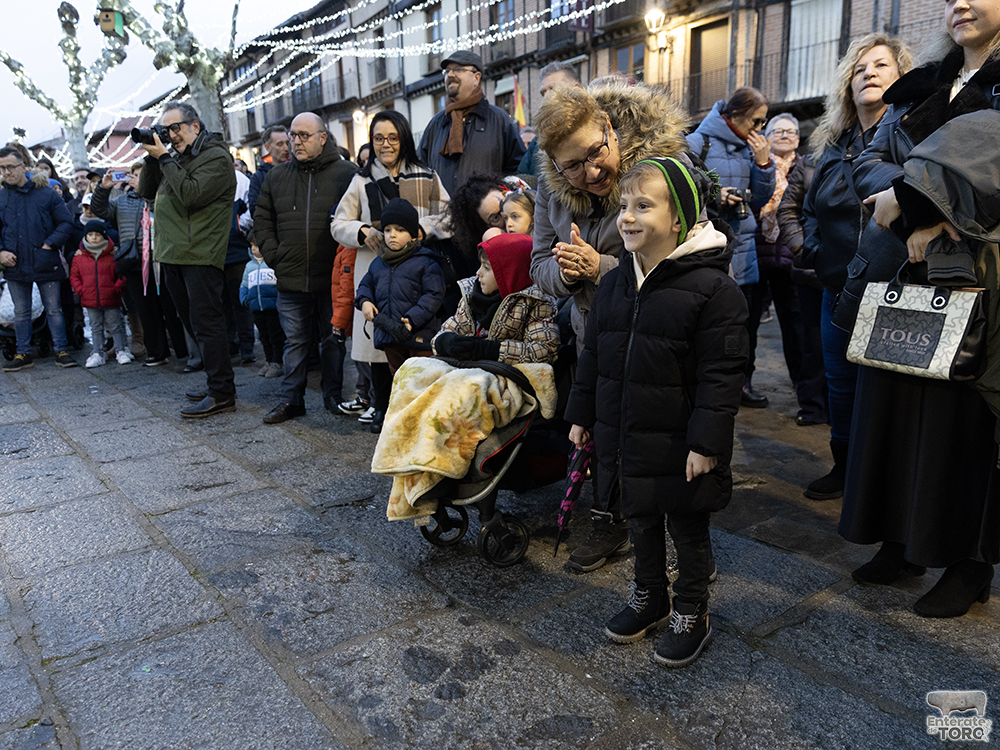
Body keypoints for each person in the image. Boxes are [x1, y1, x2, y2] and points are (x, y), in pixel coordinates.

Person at [841, 1, 1000, 619]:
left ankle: (967, 562)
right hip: (904, 273)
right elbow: (871, 156)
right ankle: (902, 539)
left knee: (965, 417)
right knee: (897, 402)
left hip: (983, 273)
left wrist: (925, 212)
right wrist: (902, 203)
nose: (961, 1)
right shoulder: (929, 80)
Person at [566, 158, 748, 667]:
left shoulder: (715, 291)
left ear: (679, 219)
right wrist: (582, 414)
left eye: (643, 205)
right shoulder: (620, 279)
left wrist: (707, 443)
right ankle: (649, 594)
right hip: (627, 429)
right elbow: (596, 352)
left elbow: (722, 375)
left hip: (680, 436)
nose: (627, 216)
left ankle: (692, 608)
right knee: (640, 515)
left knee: (686, 525)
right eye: (624, 205)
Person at [529, 79, 690, 572]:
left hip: (656, 336)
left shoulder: (663, 169)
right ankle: (609, 520)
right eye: (570, 166)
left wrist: (599, 268)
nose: (589, 172)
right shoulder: (553, 190)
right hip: (592, 332)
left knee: (652, 432)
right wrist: (567, 272)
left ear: (608, 128)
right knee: (599, 426)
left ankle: (674, 531)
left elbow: (682, 262)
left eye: (595, 154)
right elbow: (538, 265)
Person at [777, 34, 911, 500]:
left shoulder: (914, 133)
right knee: (840, 384)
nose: (869, 73)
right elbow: (802, 209)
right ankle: (845, 469)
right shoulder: (830, 144)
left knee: (889, 391)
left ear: (901, 77)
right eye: (859, 69)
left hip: (896, 290)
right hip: (836, 289)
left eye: (881, 65)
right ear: (847, 86)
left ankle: (886, 483)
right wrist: (809, 250)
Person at [331, 110, 451, 429]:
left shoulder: (425, 175)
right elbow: (337, 223)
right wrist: (362, 231)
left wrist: (421, 229)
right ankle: (383, 409)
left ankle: (412, 411)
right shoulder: (361, 179)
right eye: (378, 137)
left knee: (413, 342)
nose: (385, 144)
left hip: (416, 270)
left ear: (404, 138)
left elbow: (449, 215)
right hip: (375, 268)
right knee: (379, 346)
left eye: (392, 137)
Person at [136, 101, 238, 418]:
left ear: (195, 125)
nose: (171, 134)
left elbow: (192, 194)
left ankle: (222, 392)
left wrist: (164, 157)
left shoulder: (216, 157)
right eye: (166, 130)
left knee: (207, 324)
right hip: (174, 253)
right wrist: (155, 158)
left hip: (200, 253)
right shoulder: (175, 159)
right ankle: (215, 381)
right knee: (194, 323)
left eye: (175, 127)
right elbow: (145, 191)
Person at [256, 112, 357, 425]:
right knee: (295, 342)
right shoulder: (277, 176)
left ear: (322, 138)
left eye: (304, 135)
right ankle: (291, 399)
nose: (295, 141)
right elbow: (262, 218)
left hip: (332, 276)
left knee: (333, 339)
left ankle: (332, 395)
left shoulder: (347, 173)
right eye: (293, 135)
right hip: (291, 273)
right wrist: (275, 255)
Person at [687, 87, 775, 408]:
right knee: (713, 324)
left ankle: (743, 384)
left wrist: (765, 164)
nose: (760, 128)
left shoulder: (752, 148)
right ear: (736, 115)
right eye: (757, 120)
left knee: (746, 325)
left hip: (746, 246)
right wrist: (715, 195)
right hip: (713, 247)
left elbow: (761, 200)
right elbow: (686, 190)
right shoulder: (699, 142)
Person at [753, 114, 827, 425]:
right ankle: (744, 381)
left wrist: (798, 247)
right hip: (757, 253)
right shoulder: (756, 162)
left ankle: (802, 386)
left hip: (793, 258)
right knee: (747, 322)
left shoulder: (809, 164)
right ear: (767, 136)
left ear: (798, 138)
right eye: (778, 131)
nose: (785, 135)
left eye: (791, 131)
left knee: (797, 327)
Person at [91, 162, 190, 367]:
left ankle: (183, 351)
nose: (138, 178)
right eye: (134, 175)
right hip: (136, 261)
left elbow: (171, 215)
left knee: (171, 307)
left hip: (164, 258)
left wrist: (147, 193)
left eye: (142, 175)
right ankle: (156, 352)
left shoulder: (163, 197)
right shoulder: (122, 201)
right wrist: (104, 187)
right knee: (146, 309)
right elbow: (99, 210)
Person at [354, 197, 446, 388]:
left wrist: (412, 319)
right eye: (387, 230)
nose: (392, 235)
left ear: (413, 236)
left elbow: (434, 295)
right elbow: (365, 285)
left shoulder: (426, 262)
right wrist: (364, 301)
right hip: (389, 336)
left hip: (419, 336)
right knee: (400, 382)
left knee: (423, 383)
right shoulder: (378, 263)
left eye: (400, 230)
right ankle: (402, 416)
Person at [0, 146, 78, 371]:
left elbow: (66, 223)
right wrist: (1, 252)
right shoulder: (1, 196)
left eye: (10, 167)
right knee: (21, 311)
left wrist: (49, 244)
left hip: (45, 259)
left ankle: (61, 351)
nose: (6, 172)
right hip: (15, 262)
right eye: (2, 168)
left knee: (53, 309)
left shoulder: (45, 194)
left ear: (23, 167)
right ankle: (23, 353)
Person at [432, 232, 557, 364]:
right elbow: (444, 332)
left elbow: (545, 351)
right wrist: (446, 342)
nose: (478, 273)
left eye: (486, 267)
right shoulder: (471, 295)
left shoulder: (536, 302)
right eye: (480, 265)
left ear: (510, 273)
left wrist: (490, 350)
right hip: (469, 372)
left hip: (508, 377)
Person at [416, 50, 526, 195]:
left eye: (458, 69)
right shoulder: (436, 124)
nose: (450, 75)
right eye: (447, 71)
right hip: (441, 216)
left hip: (486, 216)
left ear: (476, 78)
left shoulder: (499, 120)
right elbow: (419, 171)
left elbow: (518, 170)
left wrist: (499, 200)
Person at [69, 220, 131, 368]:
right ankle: (97, 352)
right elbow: (74, 276)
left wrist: (116, 287)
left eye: (97, 234)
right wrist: (80, 290)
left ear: (103, 236)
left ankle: (121, 350)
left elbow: (121, 273)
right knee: (95, 327)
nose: (94, 238)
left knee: (116, 325)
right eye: (90, 234)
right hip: (90, 299)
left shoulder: (113, 254)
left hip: (110, 297)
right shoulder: (79, 257)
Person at [518, 61, 583, 176]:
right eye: (543, 92)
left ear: (576, 89)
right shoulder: (537, 142)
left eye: (553, 88)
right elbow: (522, 178)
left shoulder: (595, 127)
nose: (547, 96)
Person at [240, 230, 283, 378]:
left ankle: (278, 362)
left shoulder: (272, 263)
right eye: (251, 245)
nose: (253, 249)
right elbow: (244, 285)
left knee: (275, 336)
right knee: (264, 337)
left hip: (272, 307)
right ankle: (269, 361)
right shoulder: (249, 266)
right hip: (256, 308)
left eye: (256, 246)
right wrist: (244, 299)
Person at [248, 125, 290, 218]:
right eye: (280, 144)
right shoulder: (259, 178)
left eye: (287, 143)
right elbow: (255, 210)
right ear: (268, 148)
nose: (286, 148)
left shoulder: (296, 171)